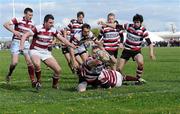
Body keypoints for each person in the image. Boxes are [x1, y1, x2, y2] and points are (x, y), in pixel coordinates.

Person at [19, 14, 76, 90]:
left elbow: (62, 39)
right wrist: (21, 46)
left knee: (58, 70)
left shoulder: (53, 30)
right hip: (35, 50)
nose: (52, 24)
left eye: (52, 23)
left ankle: (54, 85)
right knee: (37, 64)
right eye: (50, 23)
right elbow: (25, 35)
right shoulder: (38, 28)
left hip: (45, 52)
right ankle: (39, 81)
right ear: (45, 22)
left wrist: (71, 45)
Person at [77, 49, 141, 92]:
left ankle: (138, 79)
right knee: (81, 90)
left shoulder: (102, 63)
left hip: (99, 78)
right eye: (94, 53)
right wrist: (101, 56)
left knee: (121, 78)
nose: (95, 54)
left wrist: (108, 55)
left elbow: (114, 62)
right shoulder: (90, 61)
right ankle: (137, 79)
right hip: (85, 78)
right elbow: (93, 62)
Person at [116, 14, 156, 83]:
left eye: (138, 22)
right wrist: (121, 41)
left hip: (136, 51)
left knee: (141, 63)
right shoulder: (129, 26)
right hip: (126, 50)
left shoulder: (143, 30)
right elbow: (116, 26)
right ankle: (122, 78)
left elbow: (149, 43)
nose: (136, 24)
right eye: (135, 22)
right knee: (118, 69)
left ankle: (138, 79)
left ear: (141, 22)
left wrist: (151, 53)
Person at [3, 7, 35, 86]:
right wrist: (14, 31)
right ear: (25, 14)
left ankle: (33, 81)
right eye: (29, 15)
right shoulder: (18, 19)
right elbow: (5, 24)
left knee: (29, 62)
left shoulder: (32, 23)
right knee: (14, 63)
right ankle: (9, 74)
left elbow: (31, 34)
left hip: (26, 43)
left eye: (32, 15)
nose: (31, 17)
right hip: (16, 42)